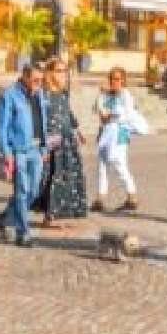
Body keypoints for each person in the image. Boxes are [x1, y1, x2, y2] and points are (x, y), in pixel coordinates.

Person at [0, 64, 48, 248]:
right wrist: (6, 152)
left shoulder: (39, 93)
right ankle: (23, 233)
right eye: (35, 80)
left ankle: (4, 218)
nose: (38, 84)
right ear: (24, 76)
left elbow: (42, 120)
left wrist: (44, 146)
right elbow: (1, 128)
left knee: (33, 192)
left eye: (41, 80)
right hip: (19, 151)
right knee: (22, 192)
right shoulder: (8, 95)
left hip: (36, 150)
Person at [33, 57, 88, 227]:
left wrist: (78, 130)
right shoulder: (42, 95)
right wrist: (44, 145)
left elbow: (68, 113)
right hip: (52, 140)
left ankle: (55, 214)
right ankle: (48, 217)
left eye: (65, 70)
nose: (64, 74)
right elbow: (38, 120)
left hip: (67, 140)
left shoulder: (63, 93)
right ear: (50, 73)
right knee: (51, 177)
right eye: (59, 70)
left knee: (65, 177)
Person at [93, 66, 140, 212]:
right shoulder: (105, 95)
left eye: (118, 79)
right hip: (106, 132)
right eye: (112, 78)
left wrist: (110, 115)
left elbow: (126, 114)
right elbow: (100, 113)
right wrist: (102, 96)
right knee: (102, 165)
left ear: (123, 80)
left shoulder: (125, 95)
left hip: (119, 133)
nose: (114, 82)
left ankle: (132, 196)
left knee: (119, 163)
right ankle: (100, 198)